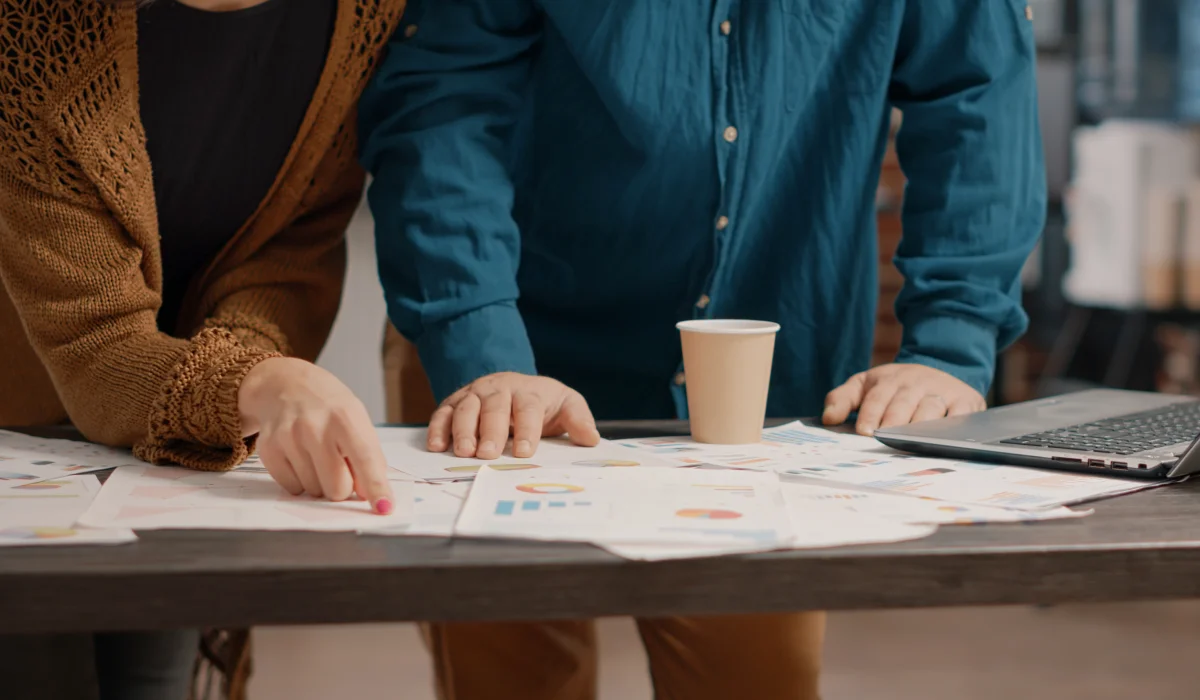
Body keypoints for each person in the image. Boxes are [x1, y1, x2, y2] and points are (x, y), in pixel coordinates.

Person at [361, 1, 1046, 698]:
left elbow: (976, 90)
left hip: (764, 387)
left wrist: (950, 343)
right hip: (502, 354)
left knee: (753, 678)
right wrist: (482, 352)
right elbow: (442, 101)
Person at [0, 0, 405, 697]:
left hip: (175, 449)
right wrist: (255, 383)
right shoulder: (29, 22)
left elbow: (292, 240)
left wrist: (246, 368)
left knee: (159, 677)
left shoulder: (367, 13)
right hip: (20, 434)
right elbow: (94, 339)